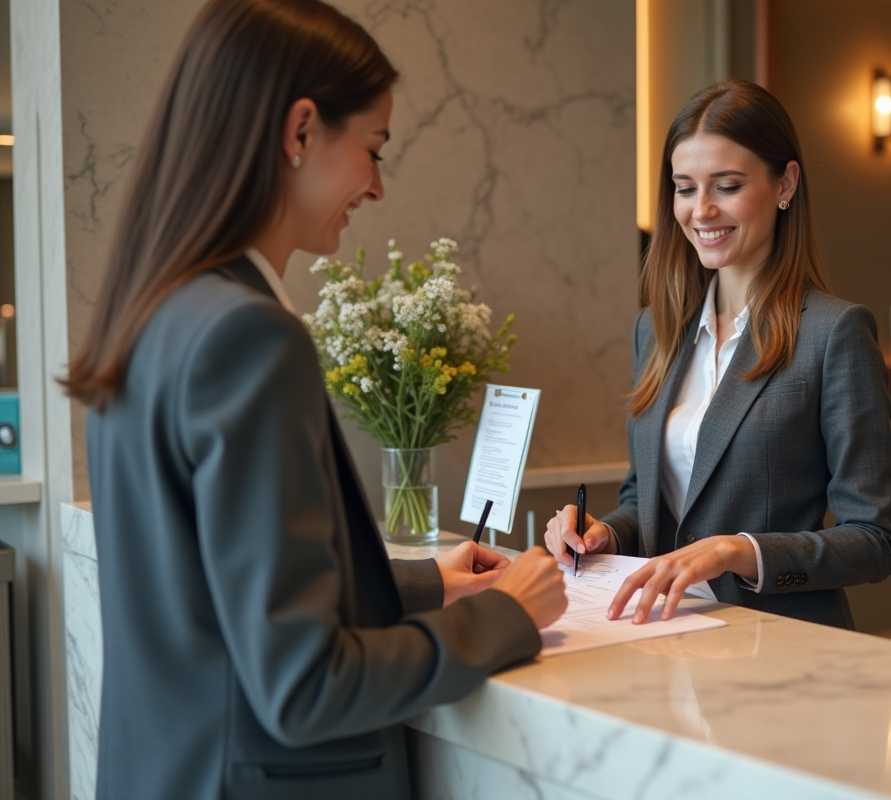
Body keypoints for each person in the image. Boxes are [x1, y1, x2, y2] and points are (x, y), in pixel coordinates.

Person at [60, 1, 566, 798]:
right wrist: (506, 613)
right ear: (300, 131)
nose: (376, 186)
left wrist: (430, 585)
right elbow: (304, 686)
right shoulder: (250, 339)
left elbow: (216, 602)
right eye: (372, 148)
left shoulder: (151, 315)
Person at [545, 78, 891, 629]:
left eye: (726, 186)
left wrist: (738, 551)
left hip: (780, 646)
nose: (701, 210)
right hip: (664, 634)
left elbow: (874, 540)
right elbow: (648, 503)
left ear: (786, 183)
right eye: (684, 188)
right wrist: (602, 531)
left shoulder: (835, 333)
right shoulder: (656, 330)